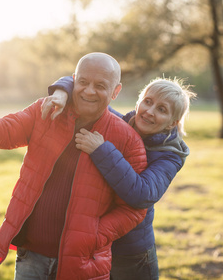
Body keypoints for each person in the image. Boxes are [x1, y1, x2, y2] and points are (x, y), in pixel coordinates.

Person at [0, 52, 148, 280]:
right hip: (31, 254)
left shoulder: (127, 139)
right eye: (83, 82)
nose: (89, 91)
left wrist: (96, 235)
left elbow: (134, 207)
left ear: (116, 91)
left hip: (84, 261)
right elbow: (10, 130)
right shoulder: (47, 109)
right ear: (73, 80)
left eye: (100, 85)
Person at [42, 76, 196, 280]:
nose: (150, 111)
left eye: (162, 109)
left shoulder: (170, 155)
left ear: (172, 124)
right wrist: (61, 92)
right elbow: (82, 80)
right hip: (93, 243)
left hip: (131, 253)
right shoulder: (119, 123)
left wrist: (102, 150)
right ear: (139, 101)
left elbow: (143, 194)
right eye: (148, 102)